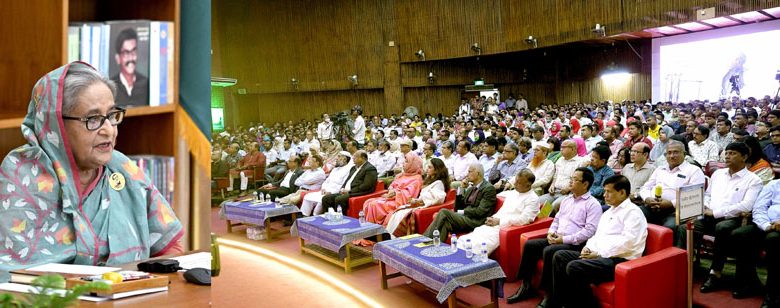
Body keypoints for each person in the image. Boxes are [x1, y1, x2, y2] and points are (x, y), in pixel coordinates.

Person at [0, 62, 182, 277]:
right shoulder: (22, 175)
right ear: (56, 125)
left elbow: (170, 249)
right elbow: (11, 278)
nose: (108, 130)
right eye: (93, 119)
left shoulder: (122, 168)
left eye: (112, 115)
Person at [547, 175, 648, 308]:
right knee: (560, 256)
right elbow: (597, 236)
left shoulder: (633, 213)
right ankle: (559, 302)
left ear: (622, 192)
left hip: (619, 260)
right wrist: (588, 247)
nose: (604, 195)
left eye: (608, 191)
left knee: (574, 267)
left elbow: (629, 242)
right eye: (604, 191)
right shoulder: (608, 212)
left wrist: (598, 253)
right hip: (599, 255)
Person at [506, 168, 602, 305]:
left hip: (575, 243)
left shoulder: (593, 204)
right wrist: (551, 232)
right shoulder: (567, 200)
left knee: (549, 251)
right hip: (557, 238)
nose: (571, 181)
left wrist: (563, 239)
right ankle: (526, 285)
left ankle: (550, 295)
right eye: (571, 178)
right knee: (530, 245)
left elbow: (589, 232)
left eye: (575, 179)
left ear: (585, 184)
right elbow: (556, 220)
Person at [696, 142, 763, 295]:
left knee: (722, 228)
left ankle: (715, 272)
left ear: (744, 157)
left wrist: (716, 213)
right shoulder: (718, 174)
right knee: (687, 225)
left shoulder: (753, 180)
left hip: (733, 219)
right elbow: (707, 195)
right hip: (709, 214)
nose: (727, 156)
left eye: (732, 153)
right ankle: (686, 267)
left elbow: (746, 206)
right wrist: (706, 207)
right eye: (726, 153)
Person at [457, 169, 539, 255]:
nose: (514, 184)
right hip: (493, 223)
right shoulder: (513, 193)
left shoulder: (533, 199)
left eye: (518, 183)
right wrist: (493, 218)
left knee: (478, 246)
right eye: (515, 181)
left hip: (505, 228)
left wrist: (499, 221)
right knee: (466, 239)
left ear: (528, 185)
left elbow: (524, 219)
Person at [639, 140, 706, 232]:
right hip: (652, 207)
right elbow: (645, 187)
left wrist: (671, 203)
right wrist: (647, 198)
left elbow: (694, 197)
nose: (672, 156)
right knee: (633, 215)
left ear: (684, 154)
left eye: (676, 152)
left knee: (668, 228)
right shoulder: (660, 169)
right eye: (669, 153)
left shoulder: (694, 170)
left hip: (676, 211)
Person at [734, 179, 780, 307]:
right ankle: (750, 283)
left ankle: (773, 293)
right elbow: (759, 208)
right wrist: (766, 225)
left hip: (778, 231)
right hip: (767, 224)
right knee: (740, 235)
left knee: (773, 240)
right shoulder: (774, 184)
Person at [423, 163, 496, 242]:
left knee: (443, 211)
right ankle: (436, 249)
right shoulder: (471, 188)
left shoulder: (488, 188)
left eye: (469, 172)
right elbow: (458, 207)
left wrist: (461, 212)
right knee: (445, 224)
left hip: (477, 221)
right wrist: (461, 188)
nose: (467, 174)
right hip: (467, 218)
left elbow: (480, 212)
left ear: (477, 173)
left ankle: (425, 240)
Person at [384, 158, 450, 237]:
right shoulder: (429, 180)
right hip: (420, 204)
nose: (427, 169)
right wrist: (416, 200)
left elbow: (439, 198)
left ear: (436, 170)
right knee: (397, 212)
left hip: (425, 206)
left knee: (401, 214)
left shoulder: (439, 183)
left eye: (430, 167)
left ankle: (396, 238)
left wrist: (419, 200)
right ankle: (390, 237)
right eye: (427, 167)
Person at [362, 152, 424, 224]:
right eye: (404, 161)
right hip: (391, 198)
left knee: (374, 204)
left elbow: (409, 195)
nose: (403, 163)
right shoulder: (402, 175)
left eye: (407, 162)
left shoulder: (417, 178)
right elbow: (392, 185)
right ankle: (370, 227)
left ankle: (375, 229)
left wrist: (395, 193)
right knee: (368, 202)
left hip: (400, 202)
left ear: (413, 165)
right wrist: (391, 189)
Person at [539, 139, 587, 213]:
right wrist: (552, 185)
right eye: (561, 147)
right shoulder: (560, 160)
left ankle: (550, 223)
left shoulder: (581, 162)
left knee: (554, 206)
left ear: (573, 149)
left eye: (564, 147)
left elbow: (579, 180)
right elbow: (556, 175)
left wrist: (569, 189)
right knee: (538, 201)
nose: (561, 149)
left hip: (568, 193)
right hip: (554, 191)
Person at [300, 151, 353, 216]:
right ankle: (304, 216)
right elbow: (326, 181)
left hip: (333, 192)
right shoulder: (335, 169)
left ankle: (315, 217)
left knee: (321, 201)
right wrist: (323, 188)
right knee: (307, 197)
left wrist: (330, 192)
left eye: (339, 156)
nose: (336, 158)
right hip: (324, 191)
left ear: (345, 159)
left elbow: (343, 185)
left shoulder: (349, 170)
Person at [111, 28, 149, 106]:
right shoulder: (110, 86)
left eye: (133, 51)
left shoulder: (147, 83)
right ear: (118, 58)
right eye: (126, 53)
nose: (131, 58)